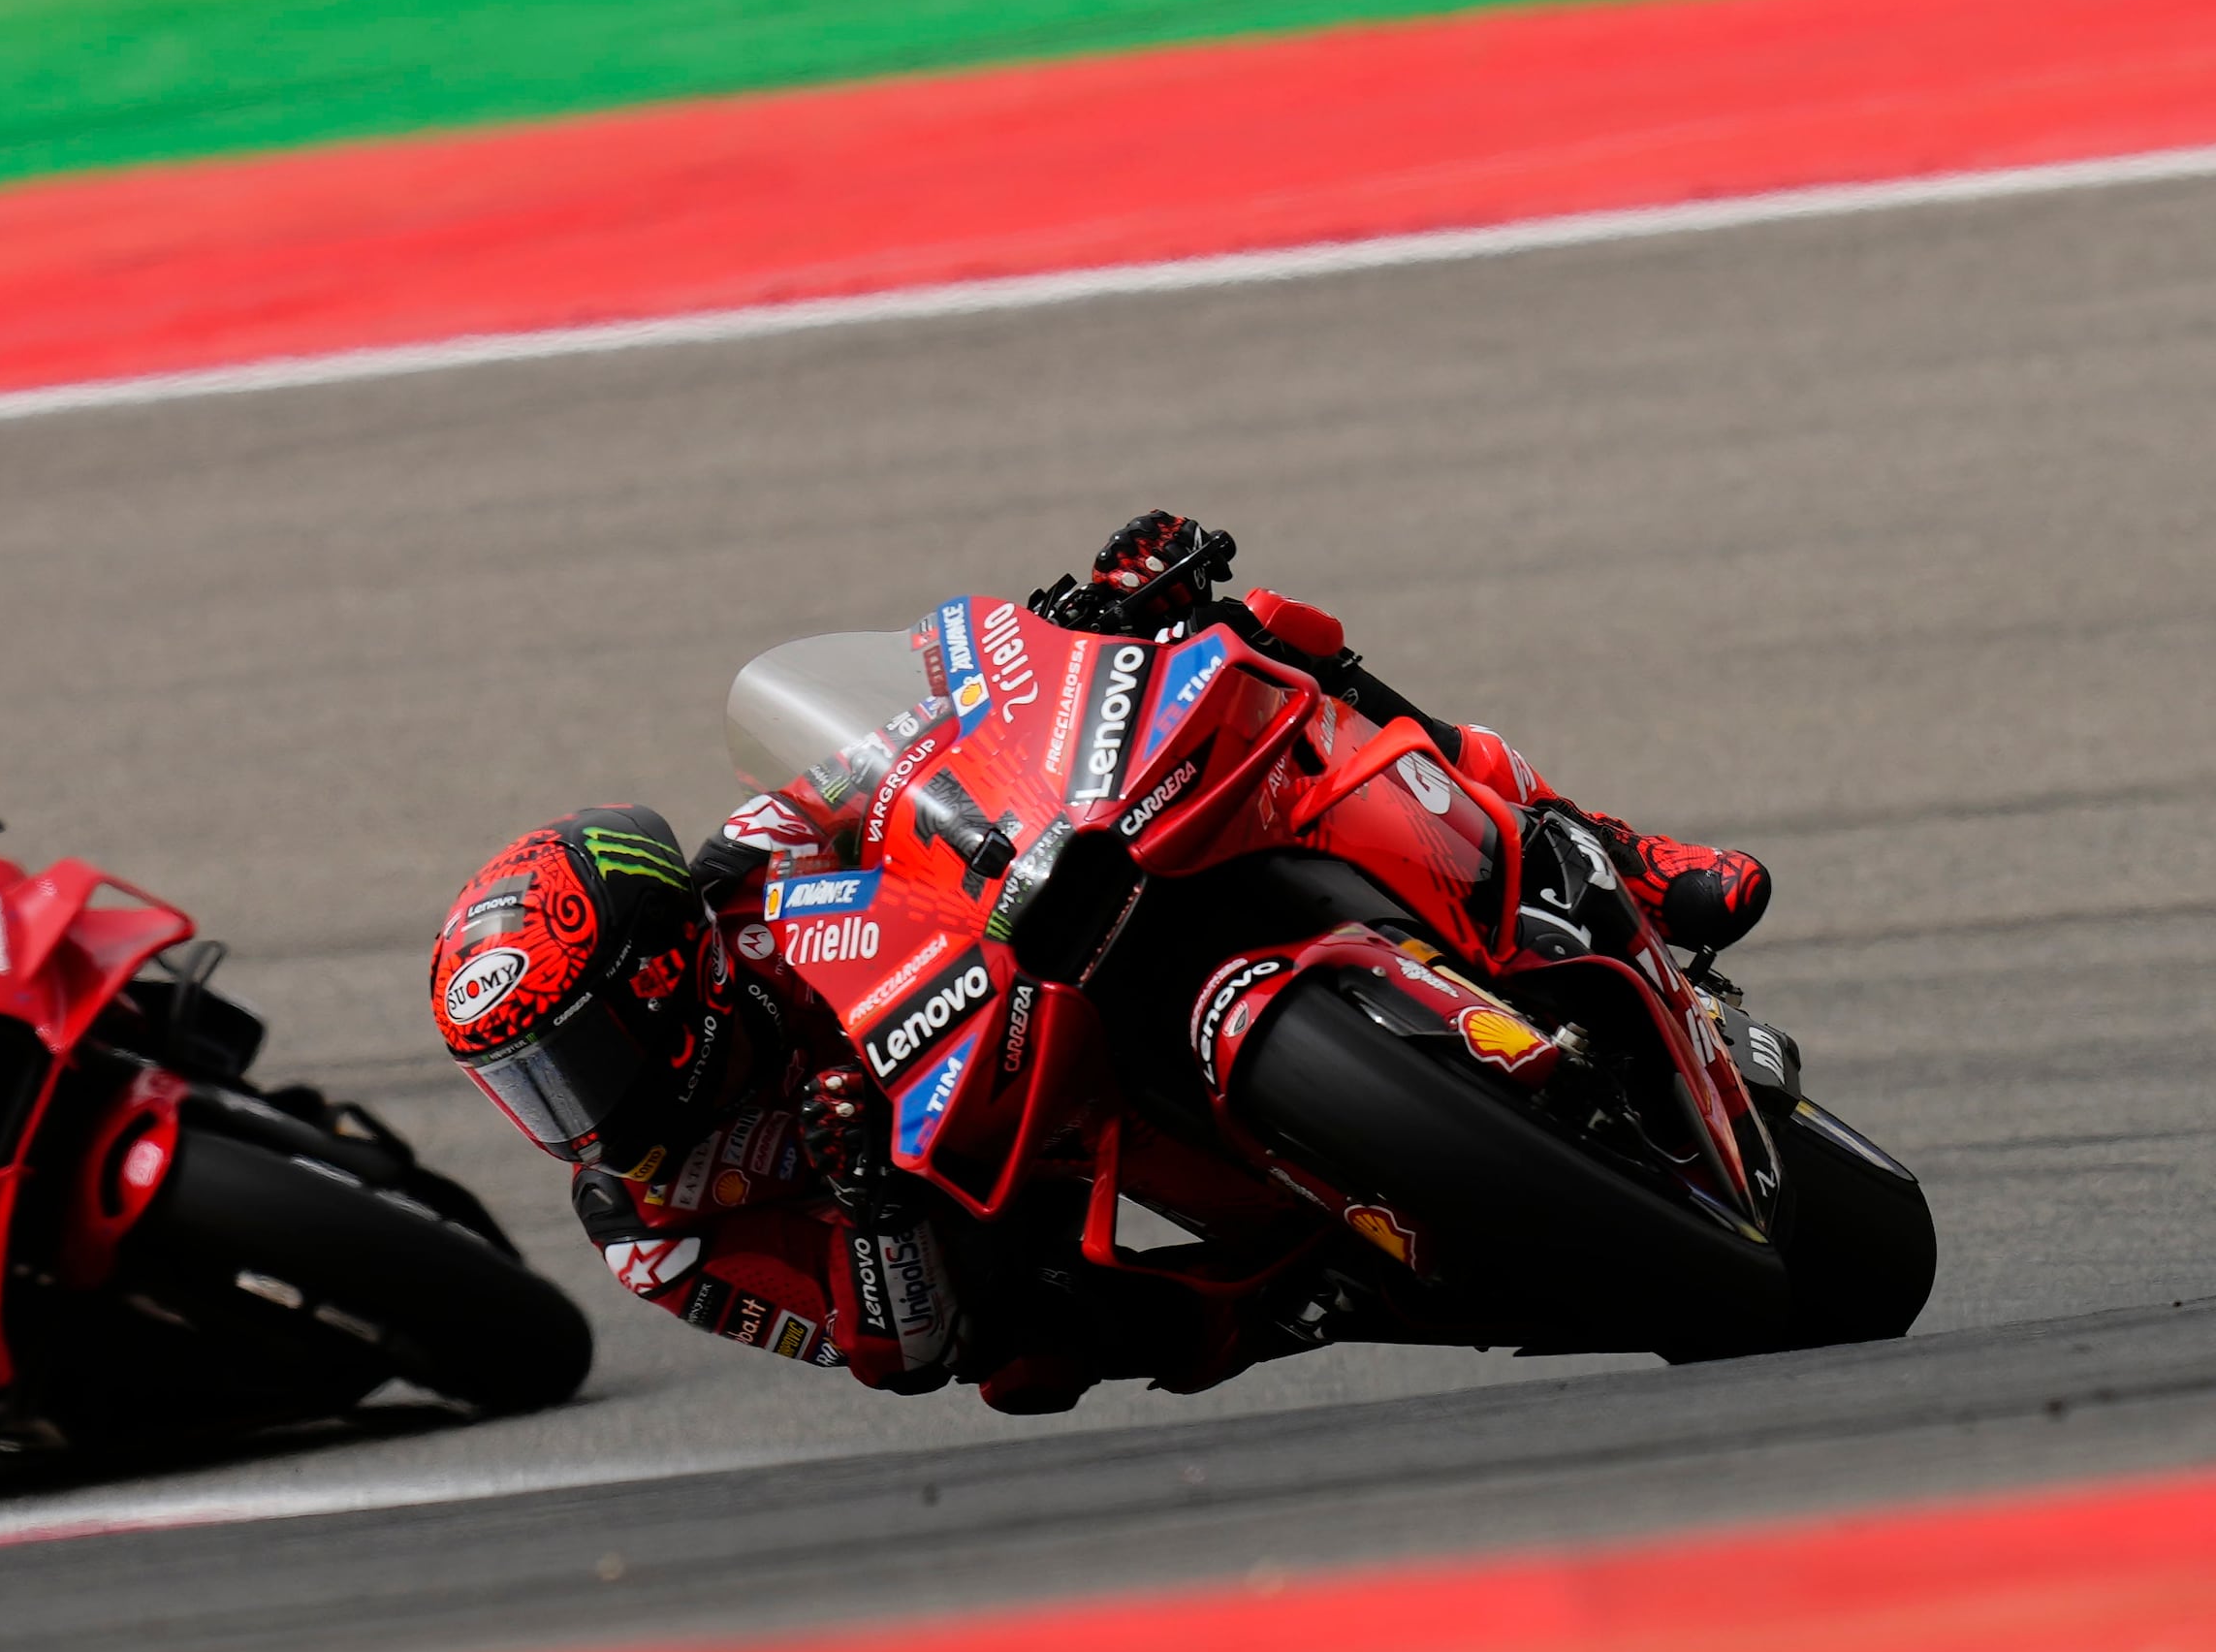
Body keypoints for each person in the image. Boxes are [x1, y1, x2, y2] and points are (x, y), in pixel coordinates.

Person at [423, 512, 1776, 1415]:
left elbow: (907, 747)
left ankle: (1621, 855)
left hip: (1034, 979)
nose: (572, 1112)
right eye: (530, 1083)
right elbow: (892, 1355)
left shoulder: (746, 869)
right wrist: (873, 1201)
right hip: (994, 1192)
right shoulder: (654, 1232)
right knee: (1023, 1363)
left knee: (1262, 650)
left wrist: (1088, 621)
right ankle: (1314, 1285)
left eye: (572, 1056)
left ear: (665, 976)